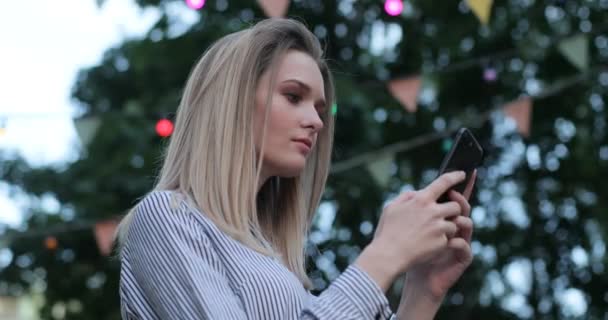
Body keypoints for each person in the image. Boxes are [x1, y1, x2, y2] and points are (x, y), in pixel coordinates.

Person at [114, 17, 477, 320]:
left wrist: (422, 291)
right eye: (293, 96)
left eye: (320, 109)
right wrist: (384, 255)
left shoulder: (281, 269)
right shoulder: (166, 218)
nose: (317, 122)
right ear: (233, 102)